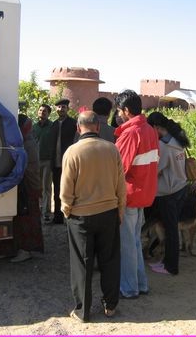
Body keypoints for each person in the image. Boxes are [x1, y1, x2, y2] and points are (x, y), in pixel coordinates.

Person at [61, 111, 126, 322]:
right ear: (98, 127)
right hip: (108, 213)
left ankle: (83, 311)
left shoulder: (72, 152)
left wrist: (66, 210)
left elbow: (65, 189)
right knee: (109, 260)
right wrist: (120, 211)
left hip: (80, 216)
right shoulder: (112, 149)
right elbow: (120, 186)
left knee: (82, 263)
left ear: (79, 128)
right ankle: (110, 306)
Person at [114, 89, 159, 298]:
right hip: (144, 194)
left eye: (119, 111)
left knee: (127, 244)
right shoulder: (149, 129)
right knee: (134, 241)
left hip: (129, 196)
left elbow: (118, 168)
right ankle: (141, 284)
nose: (118, 115)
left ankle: (129, 288)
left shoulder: (130, 133)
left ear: (125, 110)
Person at [0, 114, 44, 262]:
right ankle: (10, 248)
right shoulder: (23, 142)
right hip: (22, 186)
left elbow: (28, 169)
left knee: (26, 218)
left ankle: (25, 249)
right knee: (15, 218)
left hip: (28, 187)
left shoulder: (27, 144)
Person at [146, 112, 190, 275]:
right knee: (172, 229)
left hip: (168, 192)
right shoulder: (176, 139)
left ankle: (171, 266)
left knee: (170, 231)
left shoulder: (164, 146)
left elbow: (156, 170)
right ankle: (166, 262)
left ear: (157, 127)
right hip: (181, 187)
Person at [50, 98, 77, 224]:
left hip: (69, 164)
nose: (61, 109)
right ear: (56, 109)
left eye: (63, 107)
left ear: (68, 109)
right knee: (56, 192)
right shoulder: (54, 125)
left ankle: (71, 216)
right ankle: (57, 216)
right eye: (59, 107)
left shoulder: (73, 124)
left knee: (71, 190)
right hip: (55, 164)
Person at [33, 104, 54, 223]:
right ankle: (37, 210)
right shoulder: (33, 127)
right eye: (40, 110)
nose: (42, 112)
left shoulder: (52, 126)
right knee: (37, 187)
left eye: (45, 111)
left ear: (49, 113)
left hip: (48, 160)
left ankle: (46, 212)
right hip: (36, 161)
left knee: (46, 187)